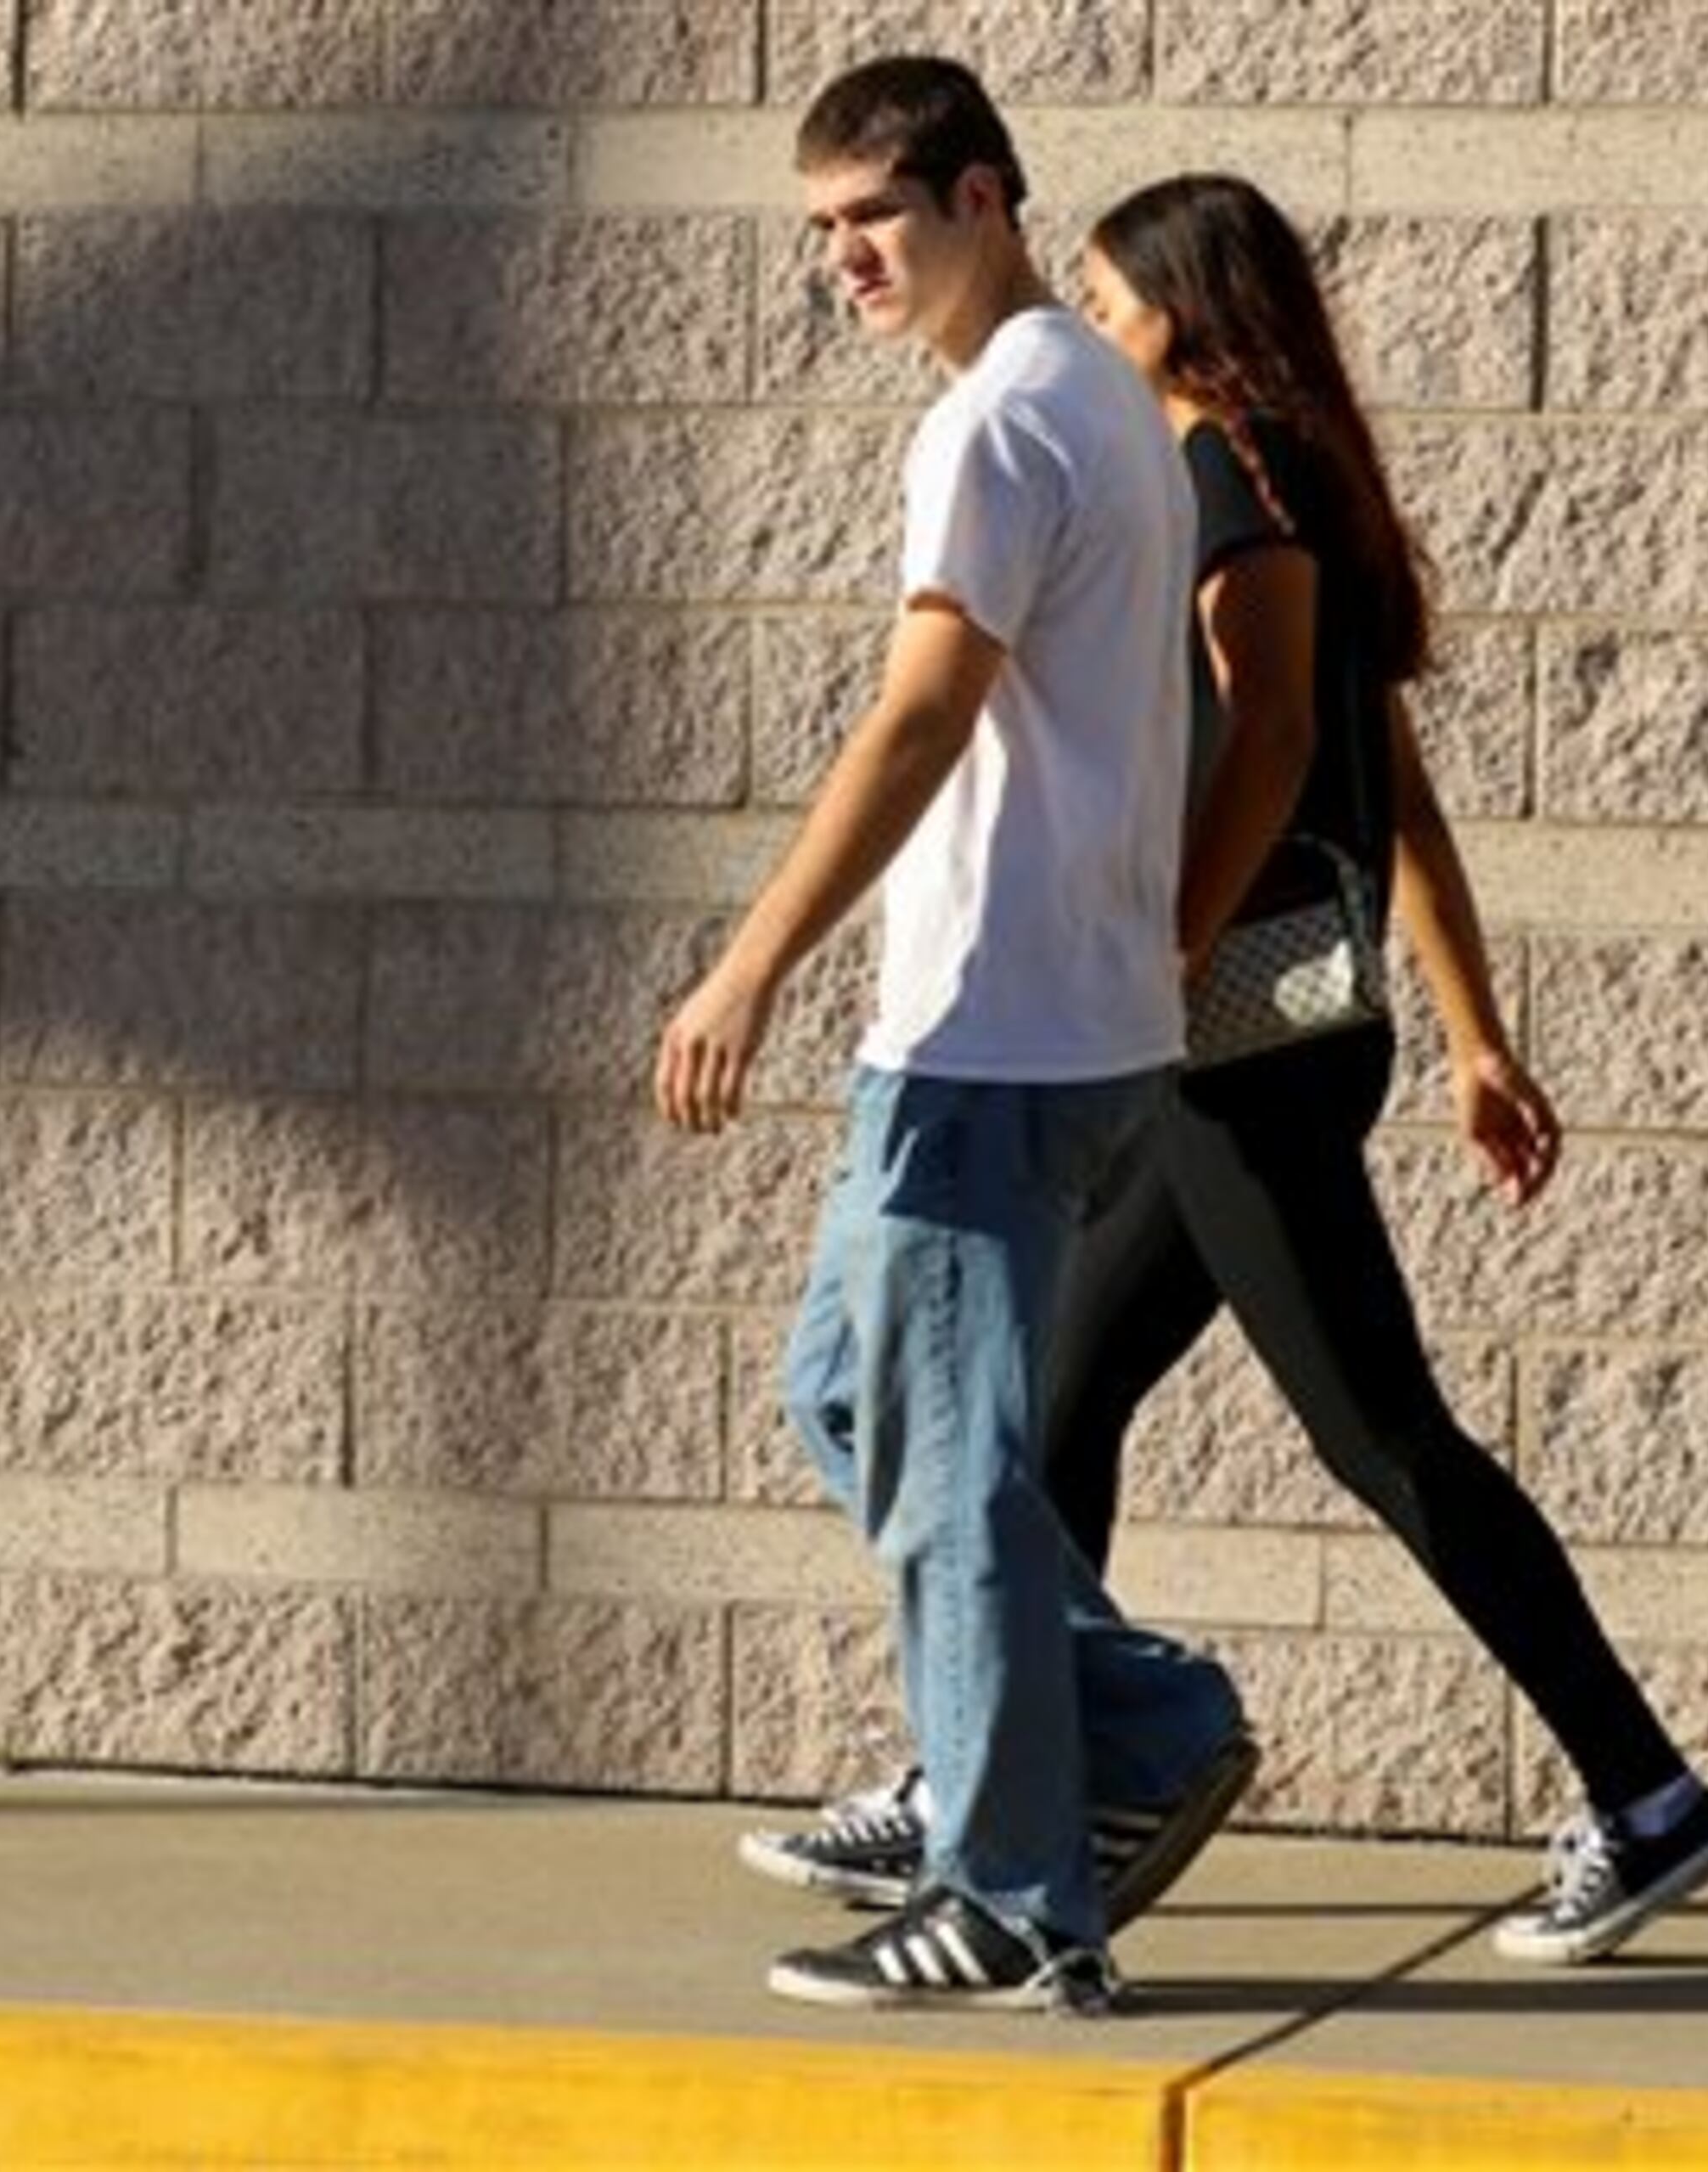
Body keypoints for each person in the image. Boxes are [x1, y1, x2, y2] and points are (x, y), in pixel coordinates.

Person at [753, 171, 1708, 1969]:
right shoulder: (1294, 482)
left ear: (1184, 318)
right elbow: (1403, 797)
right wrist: (1474, 1029)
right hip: (1286, 1027)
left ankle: (1647, 1790)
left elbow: (1282, 737)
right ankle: (1006, 1765)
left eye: (1119, 308)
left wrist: (1163, 953)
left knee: (1380, 1433)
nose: (1099, 336)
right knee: (1053, 1404)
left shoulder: (1220, 478)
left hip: (1233, 1045)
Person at [657, 58, 1259, 2017]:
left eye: (877, 219)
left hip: (988, 1033)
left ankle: (1016, 1895)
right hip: (1058, 1019)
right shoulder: (1104, 393)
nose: (843, 257)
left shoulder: (1002, 421)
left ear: (986, 198)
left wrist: (750, 961)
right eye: (819, 226)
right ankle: (1144, 1724)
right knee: (856, 1390)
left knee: (942, 1467)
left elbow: (923, 713)